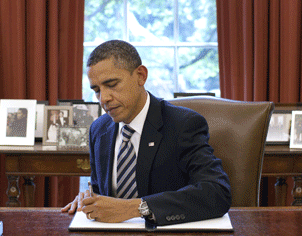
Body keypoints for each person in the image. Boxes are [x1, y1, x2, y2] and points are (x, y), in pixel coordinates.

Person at [61, 40, 231, 226]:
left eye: (112, 84)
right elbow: (102, 193)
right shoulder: (99, 129)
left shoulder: (183, 124)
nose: (104, 99)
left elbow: (217, 193)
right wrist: (89, 200)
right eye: (97, 90)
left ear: (141, 76)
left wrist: (136, 208)